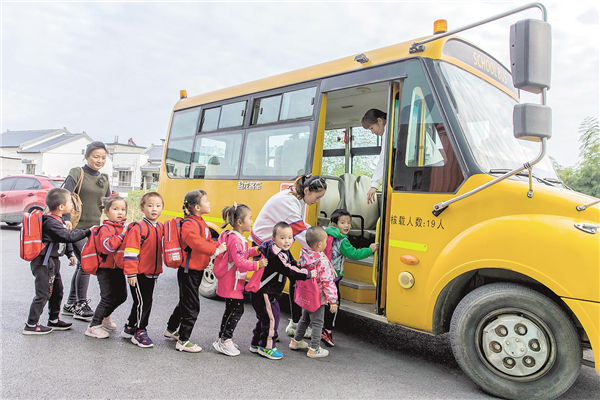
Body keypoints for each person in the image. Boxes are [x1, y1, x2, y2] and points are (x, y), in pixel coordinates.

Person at [251, 174, 327, 338]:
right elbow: (302, 235)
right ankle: (268, 333)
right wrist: (322, 252)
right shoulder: (289, 202)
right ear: (307, 190)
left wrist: (318, 234)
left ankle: (286, 324)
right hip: (265, 247)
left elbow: (301, 227)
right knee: (269, 291)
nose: (317, 200)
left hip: (275, 245)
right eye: (317, 196)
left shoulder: (296, 197)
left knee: (289, 278)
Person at [165, 190, 227, 353]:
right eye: (206, 201)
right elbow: (197, 243)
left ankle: (171, 329)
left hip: (195, 270)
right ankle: (183, 340)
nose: (209, 203)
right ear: (197, 207)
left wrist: (218, 247)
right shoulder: (190, 224)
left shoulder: (199, 221)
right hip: (189, 271)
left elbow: (205, 241)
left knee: (185, 301)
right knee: (192, 305)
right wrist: (216, 250)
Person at [23, 188, 91, 335]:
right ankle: (31, 324)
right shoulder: (50, 222)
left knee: (57, 291)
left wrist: (70, 254)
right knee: (43, 293)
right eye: (70, 203)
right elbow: (66, 236)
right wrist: (87, 231)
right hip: (43, 262)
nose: (72, 206)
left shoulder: (59, 220)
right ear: (61, 207)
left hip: (52, 262)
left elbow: (63, 239)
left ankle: (53, 319)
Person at [250, 222, 317, 360]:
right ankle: (267, 347)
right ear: (274, 239)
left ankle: (256, 343)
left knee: (264, 318)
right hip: (265, 291)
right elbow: (288, 270)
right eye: (282, 238)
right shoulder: (274, 255)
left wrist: (299, 264)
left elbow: (291, 263)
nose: (287, 241)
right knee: (272, 318)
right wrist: (308, 274)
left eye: (290, 237)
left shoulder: (283, 251)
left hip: (268, 291)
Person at [62, 141, 112, 321]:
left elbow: (107, 203)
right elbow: (65, 196)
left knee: (82, 264)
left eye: (103, 158)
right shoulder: (77, 173)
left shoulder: (104, 178)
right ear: (87, 156)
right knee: (86, 262)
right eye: (96, 156)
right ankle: (81, 304)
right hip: (75, 227)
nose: (100, 160)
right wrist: (66, 219)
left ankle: (70, 304)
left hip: (93, 229)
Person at [212, 203, 267, 357]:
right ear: (239, 223)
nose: (252, 221)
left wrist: (255, 250)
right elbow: (239, 262)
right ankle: (225, 340)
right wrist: (257, 264)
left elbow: (242, 253)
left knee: (230, 310)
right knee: (237, 310)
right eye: (250, 218)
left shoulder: (236, 237)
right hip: (232, 283)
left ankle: (222, 338)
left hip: (233, 281)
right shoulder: (236, 240)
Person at [321, 209, 378, 346]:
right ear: (335, 225)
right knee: (334, 305)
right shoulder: (342, 241)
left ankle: (313, 327)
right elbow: (354, 254)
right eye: (343, 222)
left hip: (322, 275)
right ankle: (327, 331)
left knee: (321, 303)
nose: (347, 226)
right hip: (333, 278)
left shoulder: (324, 234)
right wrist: (370, 249)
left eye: (349, 223)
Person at [121, 192, 164, 348]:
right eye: (150, 205)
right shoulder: (138, 227)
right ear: (142, 208)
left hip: (152, 273)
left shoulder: (160, 227)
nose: (154, 209)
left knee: (140, 302)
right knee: (144, 302)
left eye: (158, 206)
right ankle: (140, 331)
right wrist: (131, 273)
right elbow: (131, 251)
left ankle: (130, 327)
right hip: (138, 273)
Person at [289, 226, 338, 358]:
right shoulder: (321, 261)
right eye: (326, 241)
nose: (327, 244)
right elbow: (327, 282)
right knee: (317, 322)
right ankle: (314, 348)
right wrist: (333, 300)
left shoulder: (305, 255)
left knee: (304, 318)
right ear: (320, 244)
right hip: (318, 296)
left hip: (306, 294)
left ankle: (296, 341)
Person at [84, 196, 128, 339]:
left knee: (122, 296)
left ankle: (105, 316)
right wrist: (122, 235)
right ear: (107, 212)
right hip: (105, 268)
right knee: (107, 297)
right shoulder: (106, 228)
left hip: (118, 268)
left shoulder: (122, 227)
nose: (120, 212)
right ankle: (93, 326)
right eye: (115, 209)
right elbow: (108, 247)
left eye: (123, 209)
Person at [361, 109, 387, 205]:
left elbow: (384, 159)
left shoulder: (389, 131)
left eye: (372, 128)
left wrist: (374, 186)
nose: (372, 132)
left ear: (380, 121)